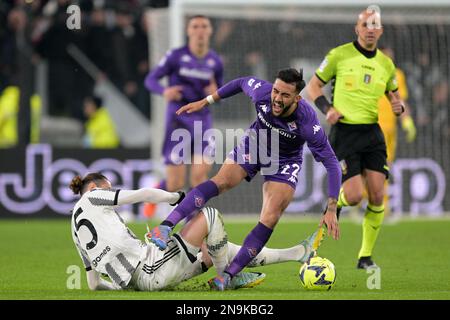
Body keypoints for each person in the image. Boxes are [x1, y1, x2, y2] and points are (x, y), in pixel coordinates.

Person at [147, 68, 341, 290]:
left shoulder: (307, 123)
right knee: (220, 181)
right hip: (256, 143)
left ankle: (228, 276)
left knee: (270, 216)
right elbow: (240, 82)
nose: (277, 98)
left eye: (285, 95)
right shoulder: (262, 92)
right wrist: (206, 101)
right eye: (276, 91)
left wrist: (332, 208)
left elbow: (332, 163)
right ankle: (164, 226)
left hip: (285, 160)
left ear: (297, 98)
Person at [70, 173, 318, 291]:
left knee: (213, 246)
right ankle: (227, 278)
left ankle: (297, 253)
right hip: (150, 268)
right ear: (93, 187)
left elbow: (94, 285)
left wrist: (127, 288)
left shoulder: (74, 229)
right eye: (108, 188)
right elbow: (142, 194)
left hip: (145, 275)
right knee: (209, 216)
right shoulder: (93, 197)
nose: (111, 191)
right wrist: (176, 197)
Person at [307, 9, 405, 269]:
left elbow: (394, 95)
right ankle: (336, 203)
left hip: (372, 133)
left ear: (380, 30)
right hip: (345, 132)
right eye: (365, 24)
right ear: (357, 28)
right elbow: (312, 86)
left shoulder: (385, 63)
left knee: (376, 195)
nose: (370, 29)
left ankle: (365, 257)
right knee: (353, 197)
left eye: (375, 25)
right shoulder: (338, 55)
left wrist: (399, 107)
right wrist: (327, 109)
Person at [144, 15, 224, 203]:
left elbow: (220, 94)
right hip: (177, 121)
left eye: (204, 26)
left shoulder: (215, 61)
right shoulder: (176, 56)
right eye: (195, 26)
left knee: (198, 178)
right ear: (188, 31)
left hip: (202, 122)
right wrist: (165, 91)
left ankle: (190, 227)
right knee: (175, 184)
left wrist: (216, 93)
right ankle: (156, 191)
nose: (200, 30)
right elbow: (150, 80)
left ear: (210, 31)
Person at [377, 46, 416, 215]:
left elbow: (400, 100)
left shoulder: (398, 75)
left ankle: (371, 202)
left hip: (391, 127)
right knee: (378, 166)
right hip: (374, 126)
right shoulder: (371, 75)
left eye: (391, 56)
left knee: (385, 165)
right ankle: (379, 205)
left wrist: (407, 120)